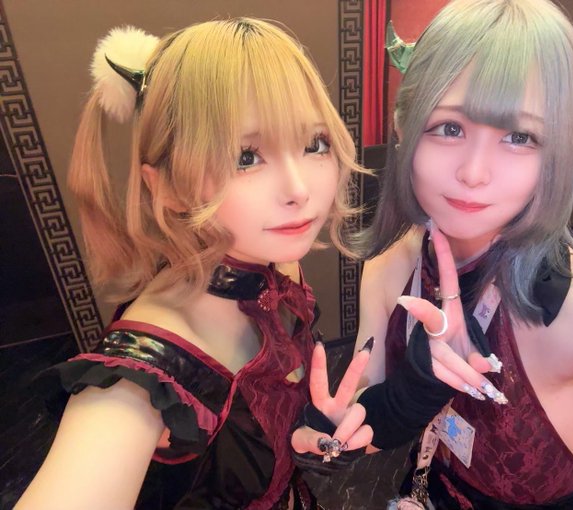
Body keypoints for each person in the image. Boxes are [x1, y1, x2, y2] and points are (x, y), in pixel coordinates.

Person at [17, 18, 372, 510]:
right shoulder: (138, 381)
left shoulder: (275, 268)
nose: (299, 190)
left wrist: (302, 436)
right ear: (166, 185)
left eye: (314, 144)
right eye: (245, 157)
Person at [351, 0, 573, 508]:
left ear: (559, 151)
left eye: (519, 137)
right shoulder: (390, 266)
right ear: (403, 127)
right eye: (450, 127)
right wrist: (405, 394)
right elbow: (360, 427)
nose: (474, 173)